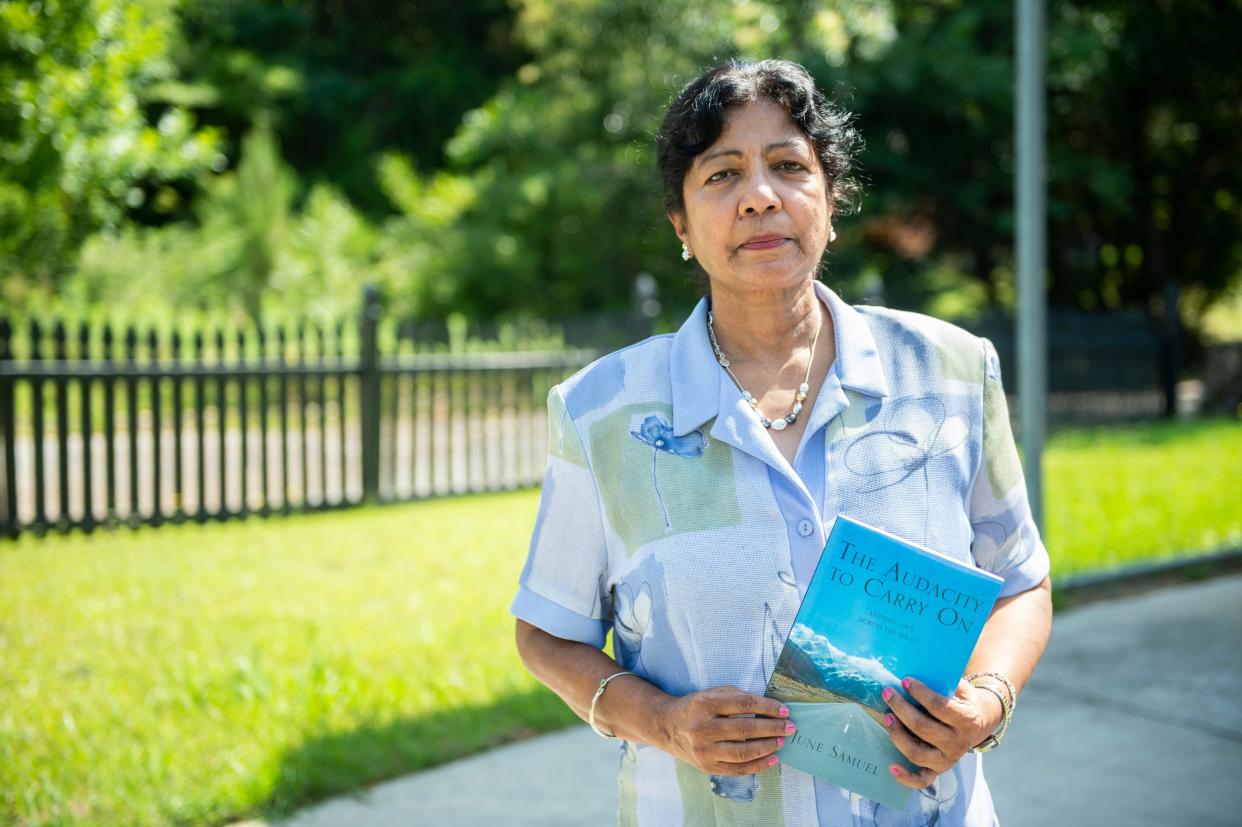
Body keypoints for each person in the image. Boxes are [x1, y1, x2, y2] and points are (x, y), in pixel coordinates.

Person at [511, 58, 1053, 826]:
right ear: (681, 224)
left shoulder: (954, 372)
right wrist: (662, 720)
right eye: (721, 174)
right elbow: (546, 633)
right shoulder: (601, 413)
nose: (760, 197)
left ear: (831, 200)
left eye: (789, 167)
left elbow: (1021, 583)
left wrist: (987, 703)